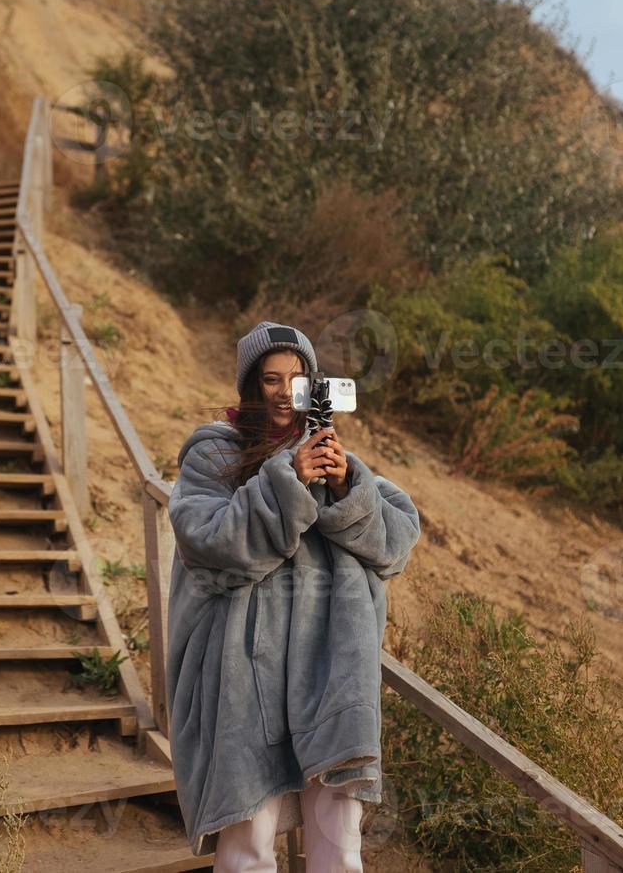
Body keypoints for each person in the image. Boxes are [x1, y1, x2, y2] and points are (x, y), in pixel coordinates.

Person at [165, 320, 423, 871]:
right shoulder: (214, 455)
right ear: (250, 387)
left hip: (330, 671)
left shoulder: (333, 455)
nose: (285, 392)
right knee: (250, 841)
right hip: (245, 676)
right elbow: (207, 543)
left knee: (338, 840)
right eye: (270, 379)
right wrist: (286, 478)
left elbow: (396, 543)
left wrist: (344, 486)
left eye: (298, 377)